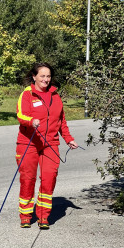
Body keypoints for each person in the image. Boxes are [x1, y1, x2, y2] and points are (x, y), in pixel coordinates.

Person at [16, 62, 78, 229]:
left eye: (48, 76)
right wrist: (31, 121)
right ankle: (26, 215)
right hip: (29, 143)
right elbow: (21, 114)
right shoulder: (27, 94)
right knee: (28, 180)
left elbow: (61, 121)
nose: (45, 79)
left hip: (50, 143)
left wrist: (68, 138)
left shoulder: (55, 96)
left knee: (49, 179)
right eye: (42, 76)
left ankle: (43, 216)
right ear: (34, 76)